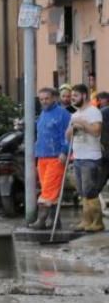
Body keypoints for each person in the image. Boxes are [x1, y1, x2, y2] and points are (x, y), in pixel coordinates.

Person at [28, 88, 71, 230]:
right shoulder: (43, 113)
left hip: (56, 157)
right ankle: (54, 221)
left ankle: (41, 220)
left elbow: (67, 135)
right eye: (41, 99)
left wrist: (64, 151)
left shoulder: (62, 114)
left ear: (54, 98)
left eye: (46, 98)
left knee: (48, 190)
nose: (44, 101)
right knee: (50, 190)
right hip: (42, 156)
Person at [66, 84, 104, 232]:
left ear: (84, 95)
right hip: (78, 157)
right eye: (72, 96)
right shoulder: (74, 114)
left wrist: (83, 124)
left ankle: (97, 222)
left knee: (90, 191)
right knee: (82, 192)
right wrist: (72, 129)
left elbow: (96, 131)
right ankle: (86, 220)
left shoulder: (93, 112)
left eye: (75, 96)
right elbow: (68, 137)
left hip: (91, 157)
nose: (72, 99)